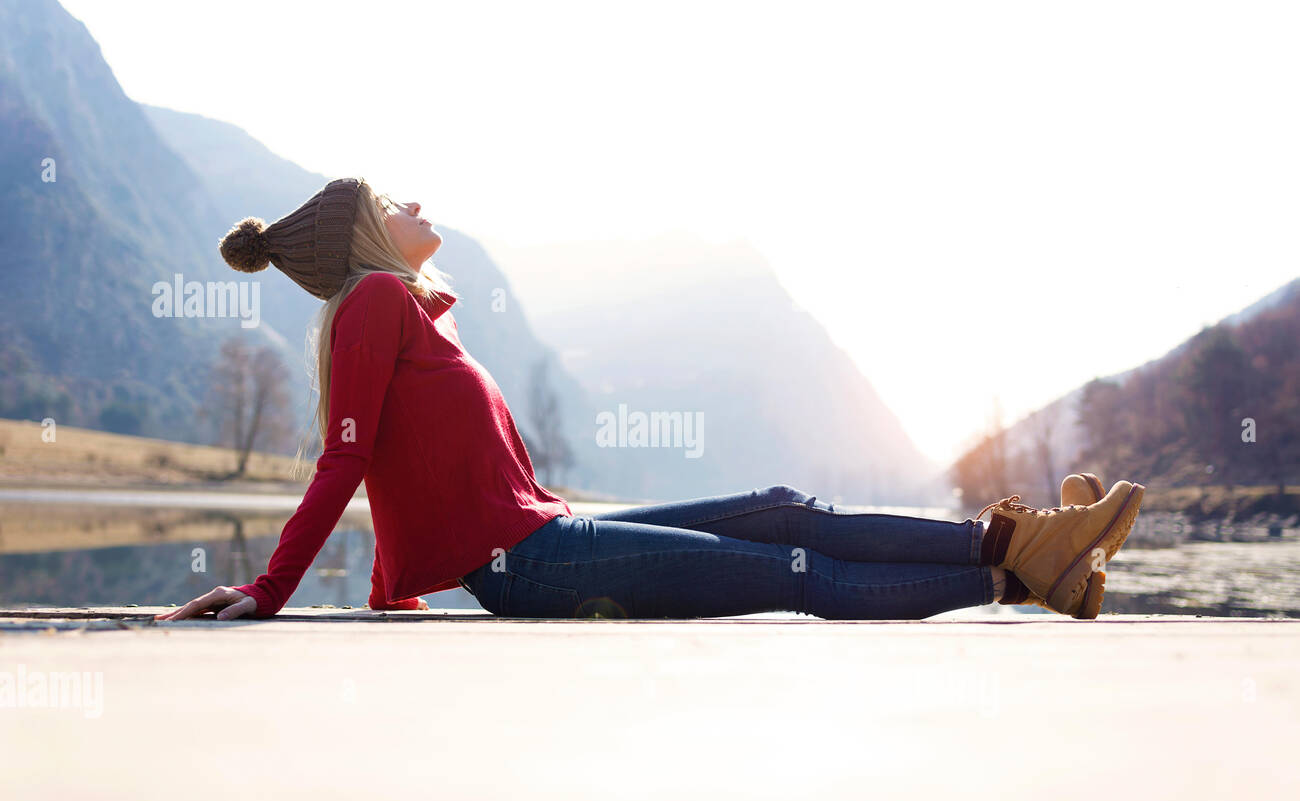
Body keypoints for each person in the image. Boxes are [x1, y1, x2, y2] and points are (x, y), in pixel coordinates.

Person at [156, 178, 1144, 623]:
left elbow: (402, 461)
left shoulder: (411, 313)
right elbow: (349, 454)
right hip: (530, 563)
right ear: (364, 234)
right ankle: (1028, 576)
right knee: (793, 566)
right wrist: (269, 589)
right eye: (389, 200)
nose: (413, 200)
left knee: (787, 505)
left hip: (547, 535)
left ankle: (1012, 544)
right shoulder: (373, 301)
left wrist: (389, 586)